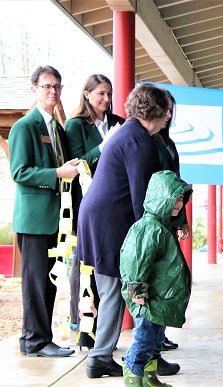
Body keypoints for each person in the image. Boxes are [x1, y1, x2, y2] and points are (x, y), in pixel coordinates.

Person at [77, 84, 174, 378]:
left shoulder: (129, 132)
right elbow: (142, 198)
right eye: (167, 110)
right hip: (108, 223)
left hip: (100, 218)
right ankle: (101, 357)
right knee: (115, 292)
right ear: (156, 111)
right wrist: (150, 243)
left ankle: (102, 354)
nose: (169, 116)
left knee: (112, 291)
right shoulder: (138, 140)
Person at [8, 65, 79, 357]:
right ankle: (34, 341)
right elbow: (19, 172)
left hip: (55, 220)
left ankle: (42, 339)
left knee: (48, 280)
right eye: (47, 86)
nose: (53, 91)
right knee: (35, 282)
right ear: (34, 89)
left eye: (57, 86)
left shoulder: (58, 128)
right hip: (35, 220)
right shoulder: (24, 127)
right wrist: (57, 173)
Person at [65, 74, 125, 349]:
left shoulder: (118, 122)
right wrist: (104, 145)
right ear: (87, 94)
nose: (107, 99)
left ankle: (103, 331)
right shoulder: (76, 125)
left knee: (107, 268)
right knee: (84, 268)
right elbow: (78, 164)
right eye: (101, 93)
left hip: (114, 203)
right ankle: (83, 329)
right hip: (86, 202)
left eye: (109, 94)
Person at [120, 170, 192, 387]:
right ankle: (133, 376)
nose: (178, 204)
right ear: (160, 198)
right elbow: (136, 262)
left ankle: (150, 377)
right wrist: (137, 291)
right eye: (174, 199)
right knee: (143, 340)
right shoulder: (149, 228)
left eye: (181, 199)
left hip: (159, 299)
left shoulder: (162, 227)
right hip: (149, 299)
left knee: (155, 340)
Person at [154, 90, 189, 351]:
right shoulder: (147, 141)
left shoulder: (169, 143)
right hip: (155, 220)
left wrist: (182, 219)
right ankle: (153, 338)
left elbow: (176, 185)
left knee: (169, 277)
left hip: (170, 219)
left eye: (170, 111)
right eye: (164, 110)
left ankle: (160, 333)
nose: (168, 116)